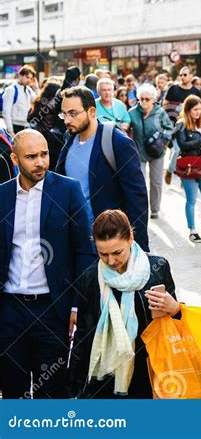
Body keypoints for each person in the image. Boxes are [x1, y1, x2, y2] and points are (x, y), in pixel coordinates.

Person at [0, 130, 95, 398]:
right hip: (9, 311)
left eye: (44, 154)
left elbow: (84, 251)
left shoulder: (68, 190)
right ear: (15, 158)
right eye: (31, 157)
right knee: (12, 391)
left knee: (50, 393)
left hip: (52, 310)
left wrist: (77, 303)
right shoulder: (2, 196)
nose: (40, 162)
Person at [68, 209, 180, 399]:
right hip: (106, 376)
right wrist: (73, 386)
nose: (111, 261)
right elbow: (83, 334)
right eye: (103, 254)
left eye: (117, 252)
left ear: (130, 239)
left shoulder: (157, 269)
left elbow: (176, 326)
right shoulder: (90, 278)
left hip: (150, 371)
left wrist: (175, 309)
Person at [55, 86, 149, 251]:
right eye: (64, 114)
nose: (67, 120)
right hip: (76, 241)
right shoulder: (69, 140)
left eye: (73, 113)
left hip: (109, 241)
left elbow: (137, 198)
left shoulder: (117, 142)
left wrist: (139, 248)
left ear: (91, 112)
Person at [129, 83, 174, 220]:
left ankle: (155, 209)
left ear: (153, 99)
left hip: (157, 152)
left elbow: (169, 128)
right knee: (140, 182)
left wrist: (164, 140)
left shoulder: (160, 112)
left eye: (147, 99)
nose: (143, 102)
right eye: (141, 99)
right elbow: (125, 128)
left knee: (156, 182)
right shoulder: (132, 113)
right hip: (139, 153)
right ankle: (142, 209)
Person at [175, 96, 201, 242]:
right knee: (191, 200)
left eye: (200, 109)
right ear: (188, 110)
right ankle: (192, 230)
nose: (198, 112)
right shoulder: (181, 125)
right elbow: (182, 145)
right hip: (189, 167)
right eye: (195, 109)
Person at [2, 66, 36, 138]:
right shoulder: (11, 90)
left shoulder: (28, 89)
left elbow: (37, 100)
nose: (29, 80)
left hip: (26, 126)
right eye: (27, 77)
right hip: (15, 126)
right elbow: (6, 112)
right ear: (20, 75)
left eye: (31, 78)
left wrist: (36, 87)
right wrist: (10, 130)